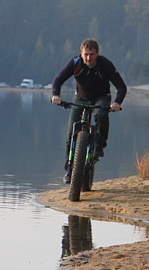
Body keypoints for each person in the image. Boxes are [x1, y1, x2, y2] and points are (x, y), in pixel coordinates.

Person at [51, 38, 127, 183]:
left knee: (101, 115)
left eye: (91, 54)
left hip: (101, 97)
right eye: (85, 54)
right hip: (80, 98)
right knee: (70, 133)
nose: (88, 58)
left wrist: (117, 102)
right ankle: (69, 170)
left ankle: (99, 146)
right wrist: (56, 94)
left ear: (97, 53)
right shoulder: (76, 63)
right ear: (81, 53)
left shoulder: (105, 65)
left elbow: (121, 87)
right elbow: (58, 79)